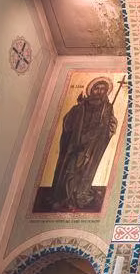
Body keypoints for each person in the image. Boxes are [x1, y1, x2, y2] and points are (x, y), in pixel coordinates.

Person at [46, 78, 119, 211]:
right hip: (76, 143)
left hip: (92, 147)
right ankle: (64, 197)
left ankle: (77, 196)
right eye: (97, 88)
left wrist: (105, 128)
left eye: (103, 89)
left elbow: (110, 126)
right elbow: (68, 124)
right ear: (91, 90)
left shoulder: (107, 108)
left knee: (85, 171)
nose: (99, 92)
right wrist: (77, 113)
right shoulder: (80, 106)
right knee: (70, 168)